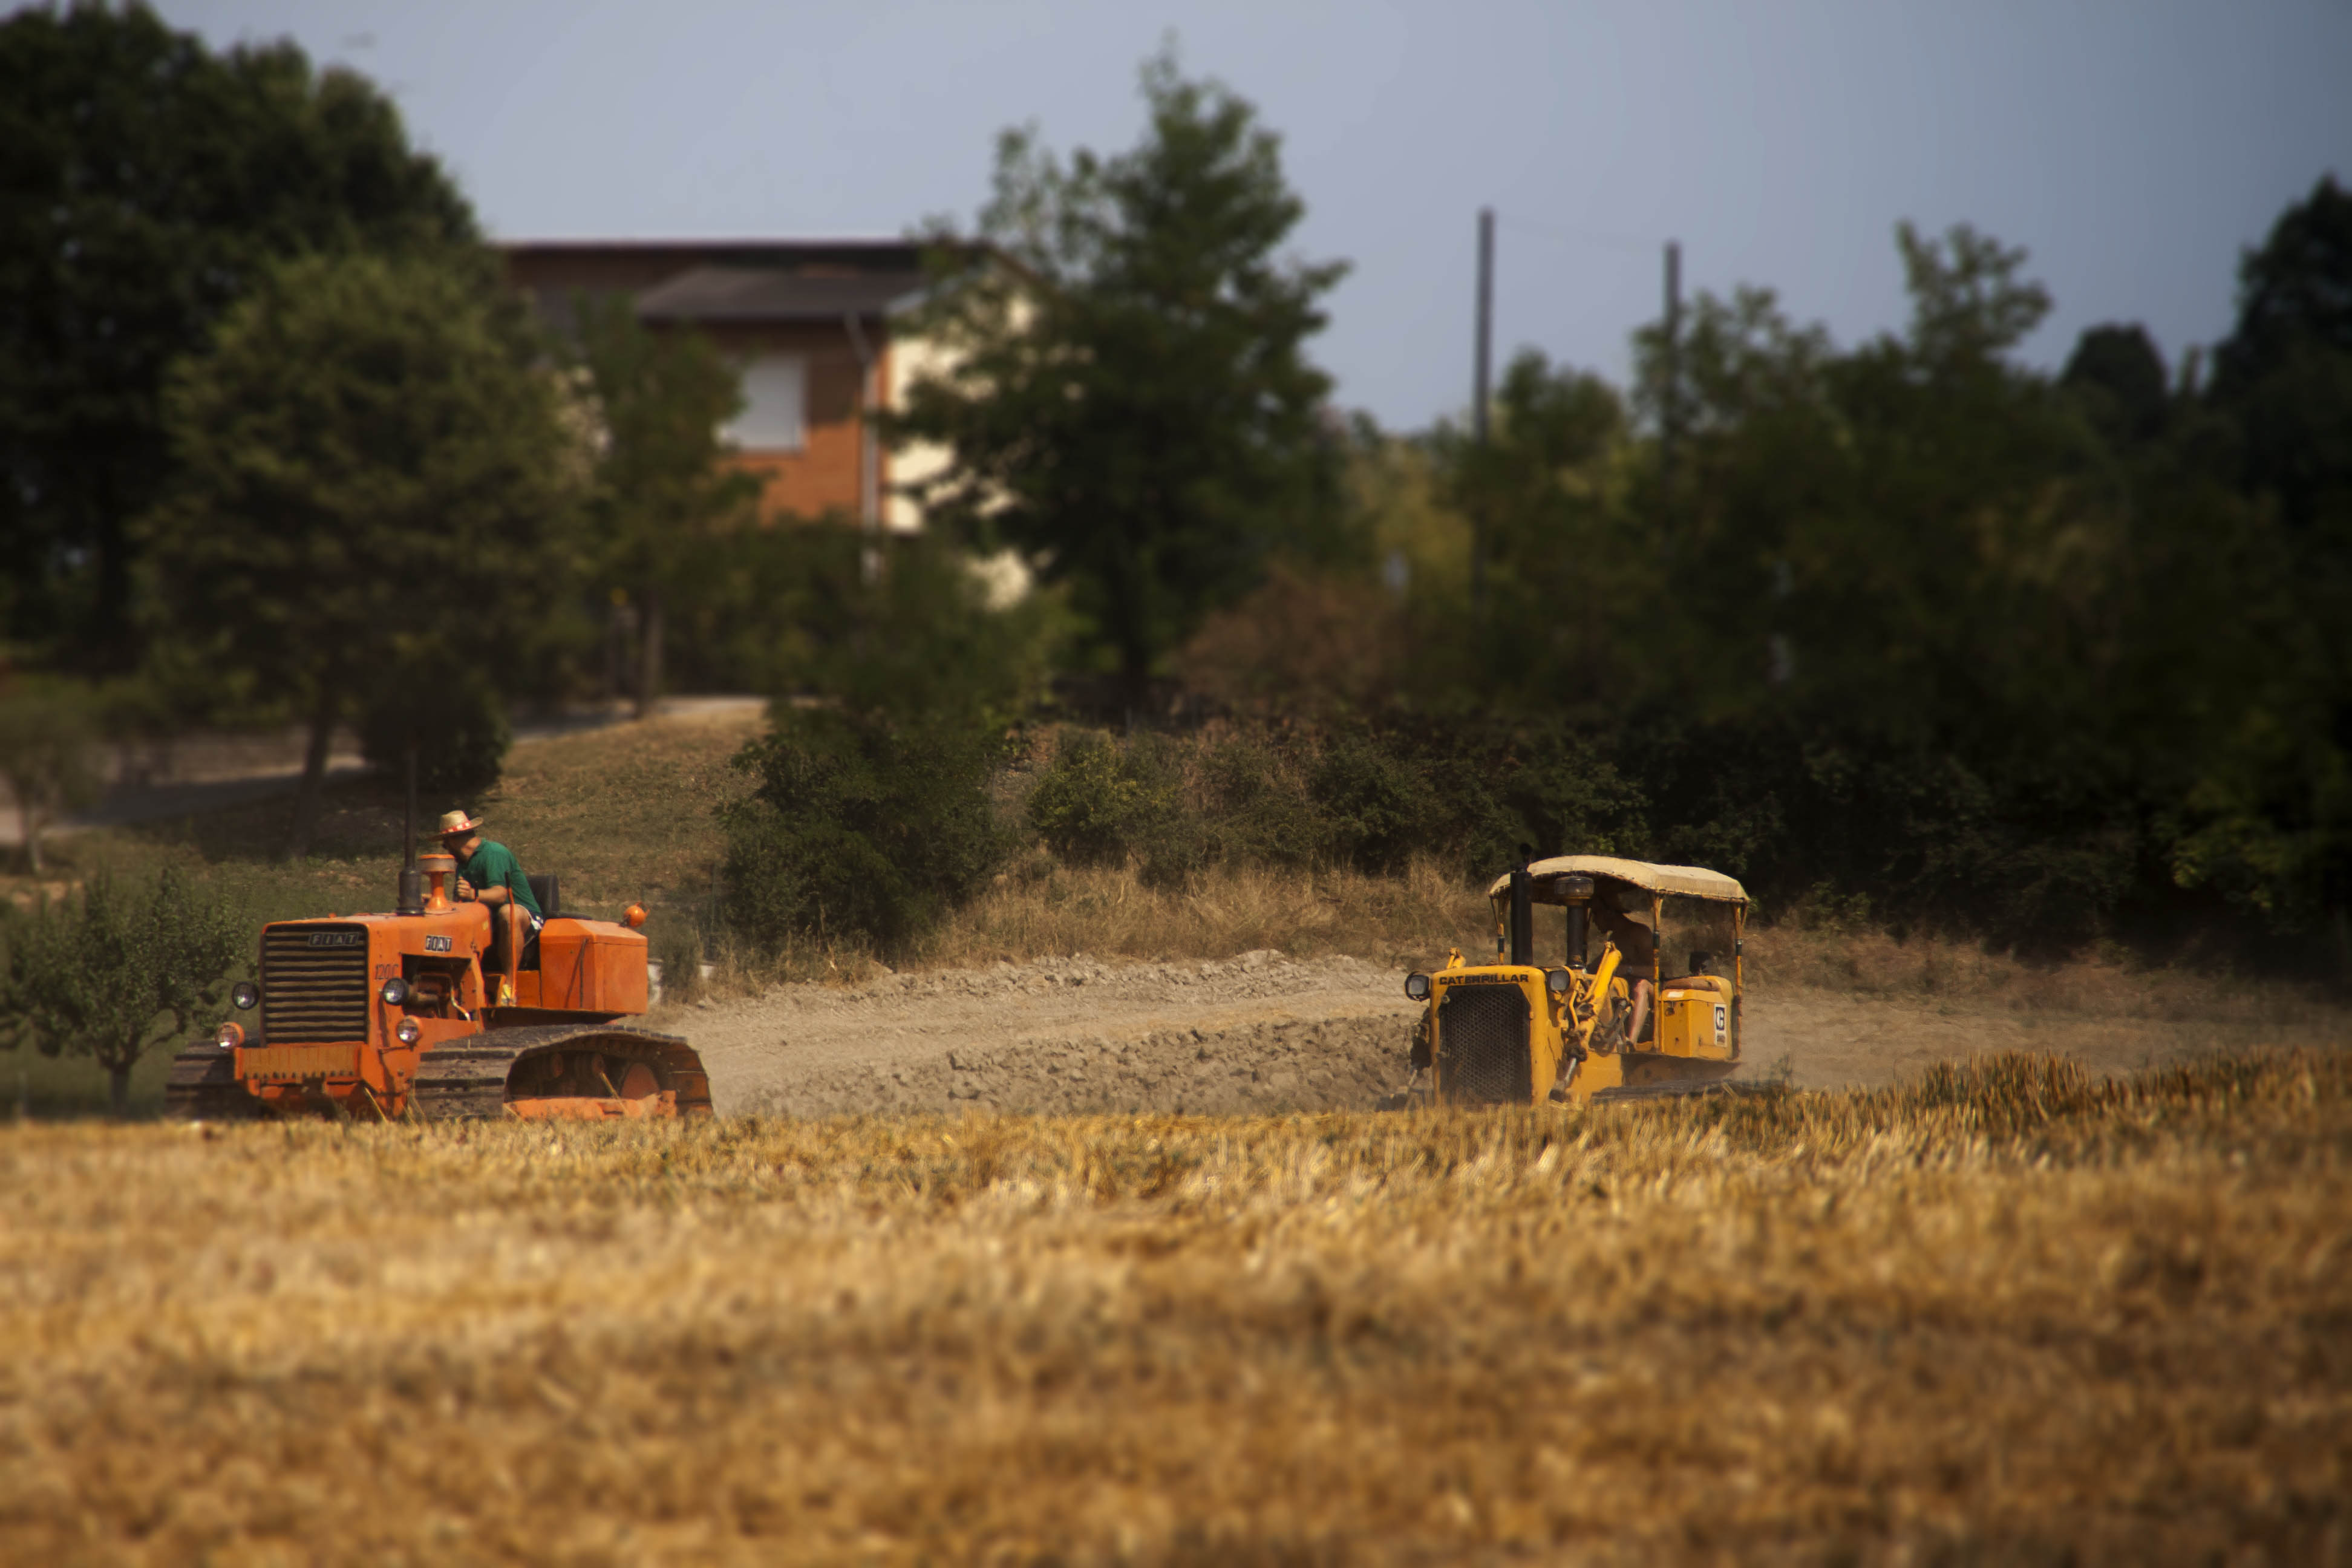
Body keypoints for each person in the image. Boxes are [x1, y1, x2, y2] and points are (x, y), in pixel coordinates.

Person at [436, 809, 542, 967]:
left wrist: (472, 893)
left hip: (524, 918)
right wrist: (438, 902)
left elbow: (500, 895)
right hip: (488, 920)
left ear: (452, 841)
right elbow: (461, 907)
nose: (447, 850)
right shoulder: (463, 865)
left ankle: (509, 986)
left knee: (507, 913)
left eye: (445, 845)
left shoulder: (494, 853)